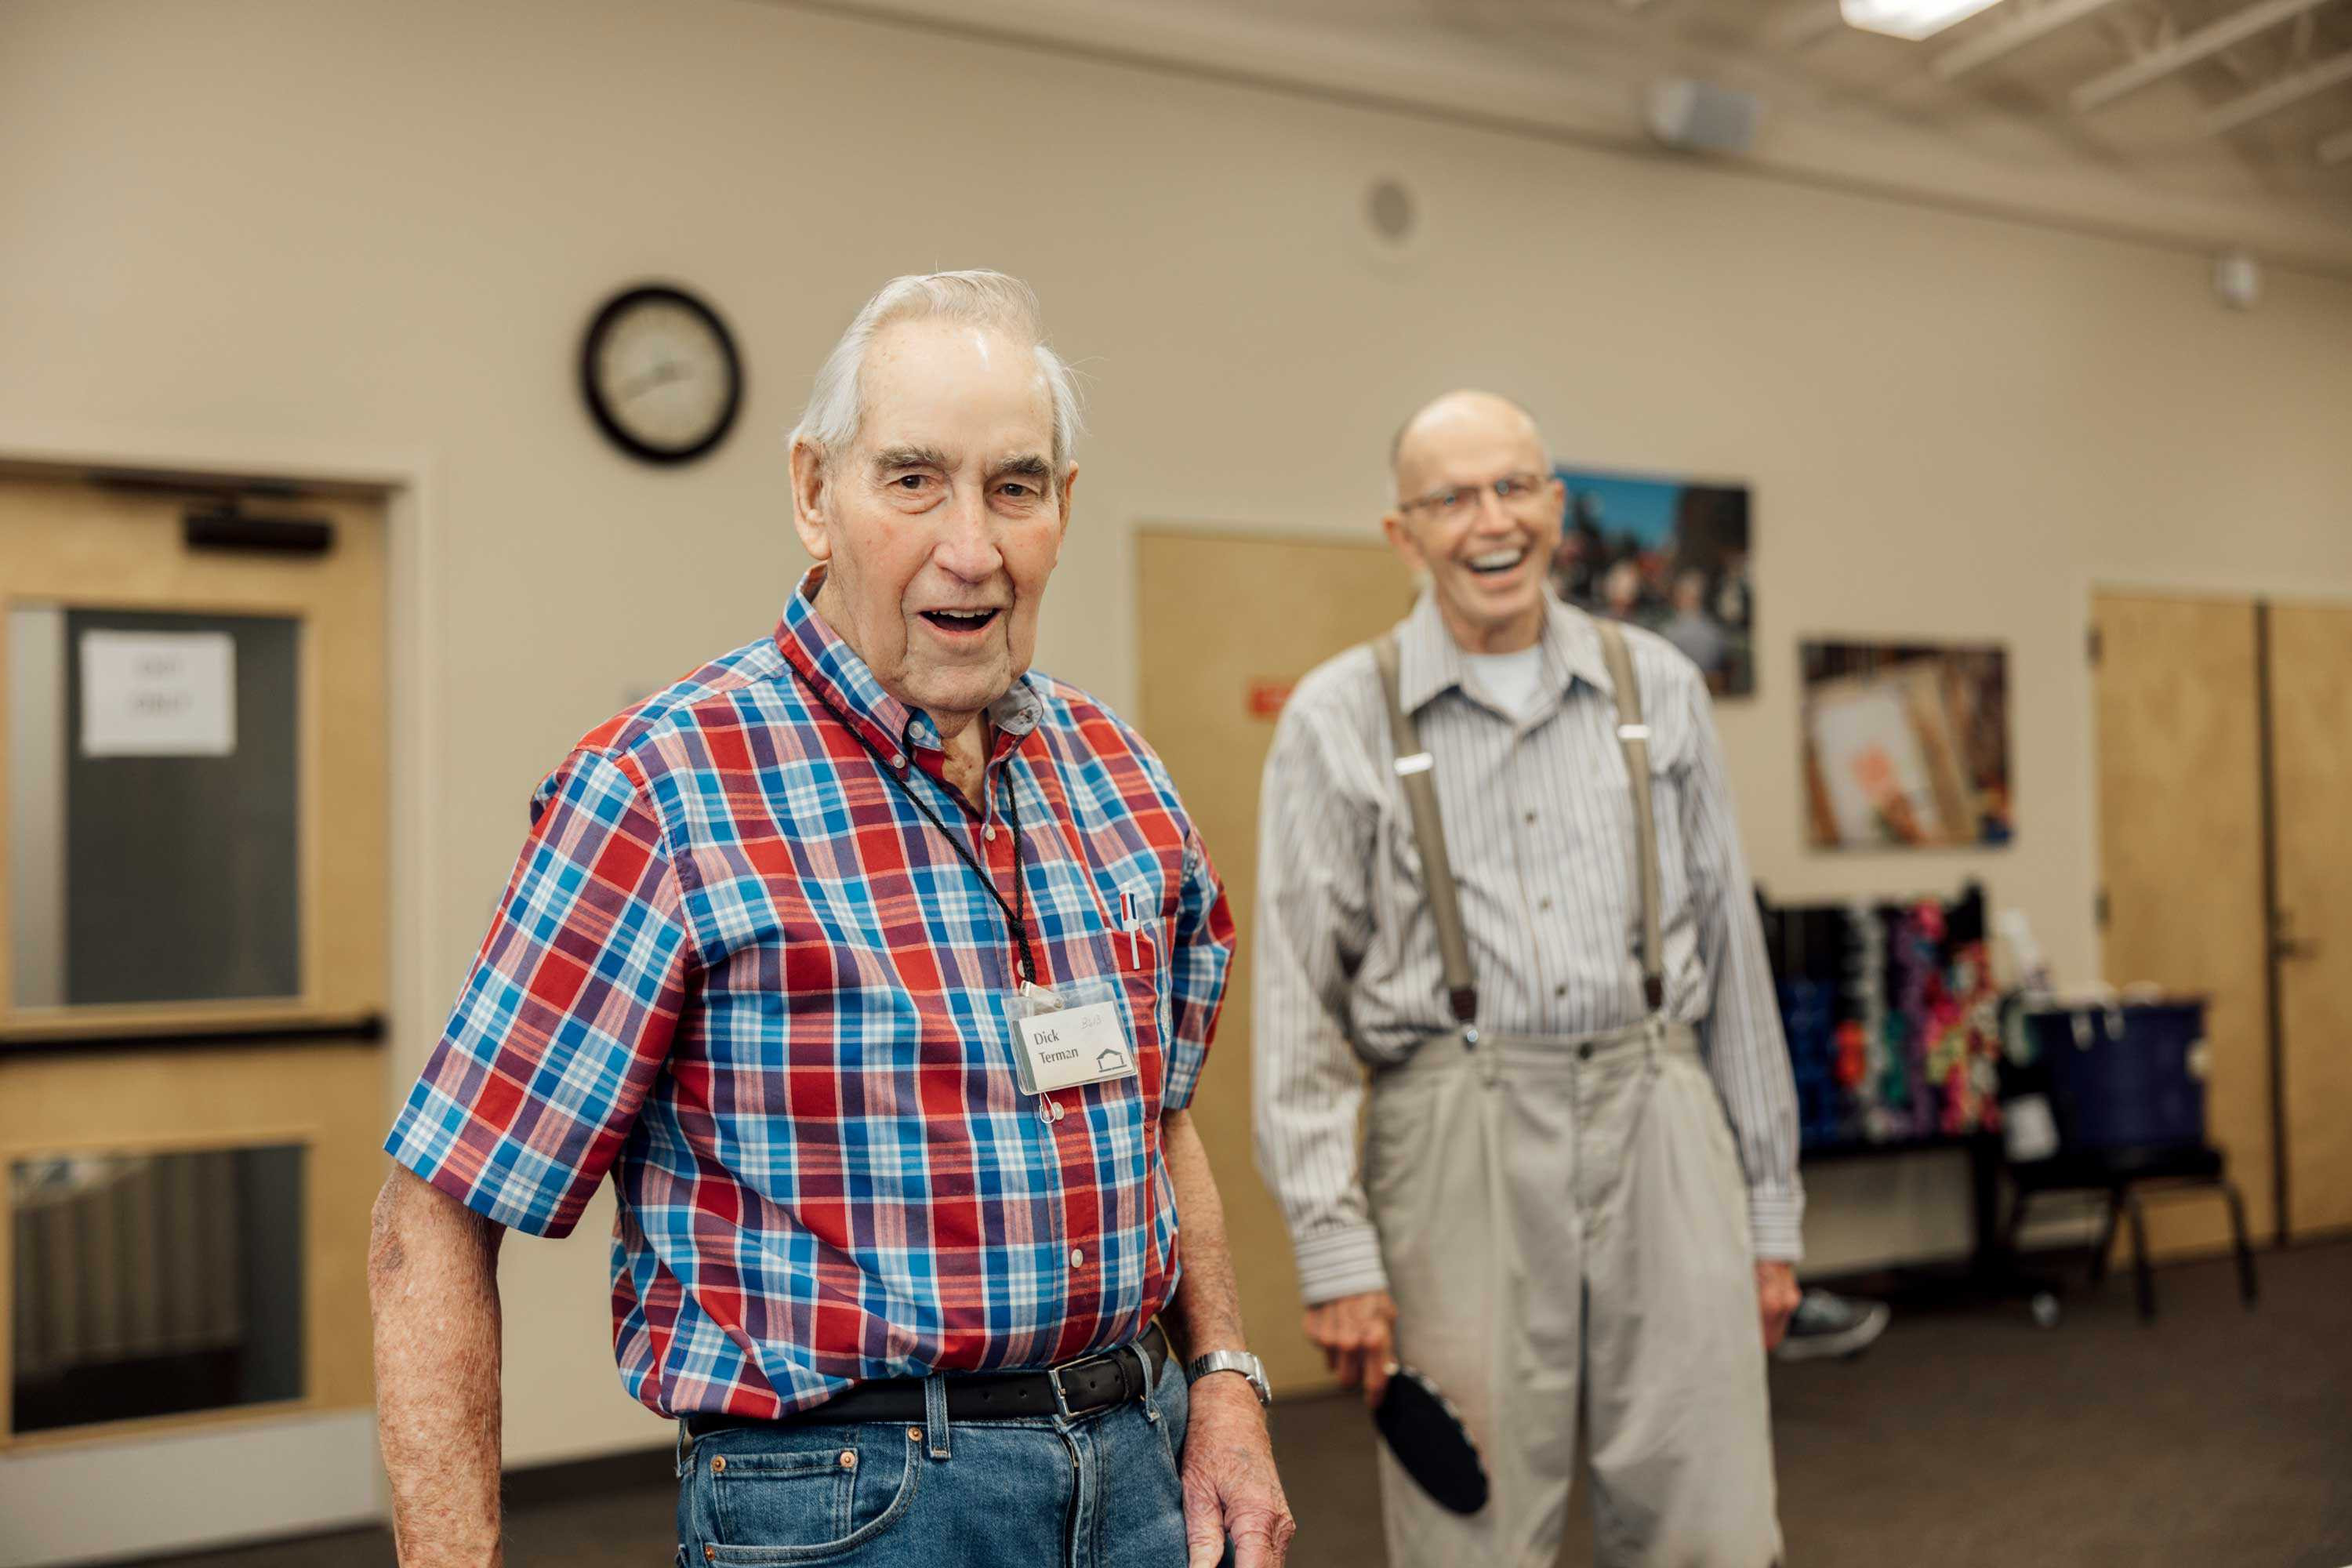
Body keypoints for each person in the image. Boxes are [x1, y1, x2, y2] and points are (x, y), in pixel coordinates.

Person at [368, 271, 1293, 1568]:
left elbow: (1161, 1119)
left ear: (1061, 510)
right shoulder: (665, 792)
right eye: (912, 480)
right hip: (850, 1506)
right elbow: (437, 1210)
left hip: (1137, 1464)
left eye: (1014, 487)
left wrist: (1230, 1385)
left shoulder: (1119, 778)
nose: (970, 545)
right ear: (814, 495)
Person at [1254, 390, 1800, 1566]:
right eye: (1450, 498)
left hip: (1664, 1111)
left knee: (1713, 1517)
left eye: (1512, 488)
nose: (1487, 521)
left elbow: (1736, 976)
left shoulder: (1662, 687)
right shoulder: (1334, 719)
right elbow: (1296, 1014)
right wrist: (1334, 1249)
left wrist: (1770, 1211)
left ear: (1557, 511)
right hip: (1455, 1129)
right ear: (1403, 534)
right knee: (1473, 1528)